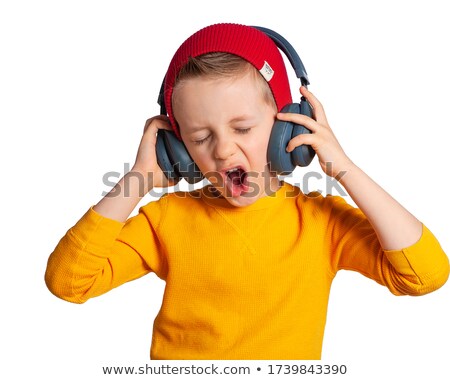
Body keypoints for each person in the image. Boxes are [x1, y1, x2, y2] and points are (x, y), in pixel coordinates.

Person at [45, 23, 449, 360]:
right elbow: (69, 282)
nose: (222, 149)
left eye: (242, 129)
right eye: (200, 137)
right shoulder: (166, 219)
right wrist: (137, 180)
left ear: (288, 126)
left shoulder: (322, 223)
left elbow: (425, 275)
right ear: (178, 149)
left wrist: (344, 168)